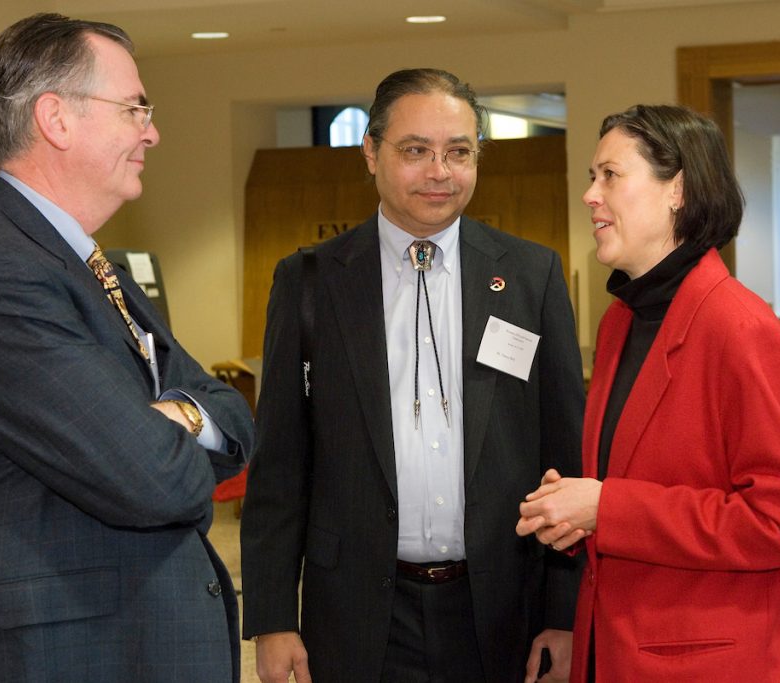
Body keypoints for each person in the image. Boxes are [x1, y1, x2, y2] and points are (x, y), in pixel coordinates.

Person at [0, 13, 254, 682]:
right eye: (134, 108)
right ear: (56, 119)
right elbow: (152, 479)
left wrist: (178, 416)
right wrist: (172, 427)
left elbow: (230, 412)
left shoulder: (76, 259)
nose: (152, 131)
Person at [240, 68, 584, 683]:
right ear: (370, 153)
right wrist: (273, 618)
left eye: (459, 152)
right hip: (355, 611)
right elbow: (280, 465)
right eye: (415, 151)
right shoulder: (310, 281)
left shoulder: (532, 276)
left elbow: (566, 454)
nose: (440, 171)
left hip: (502, 605)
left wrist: (563, 613)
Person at [516, 104, 780, 682]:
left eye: (610, 174)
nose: (590, 195)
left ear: (676, 189)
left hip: (712, 660)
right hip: (621, 645)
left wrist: (607, 507)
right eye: (591, 176)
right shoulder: (620, 322)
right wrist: (578, 511)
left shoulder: (739, 327)